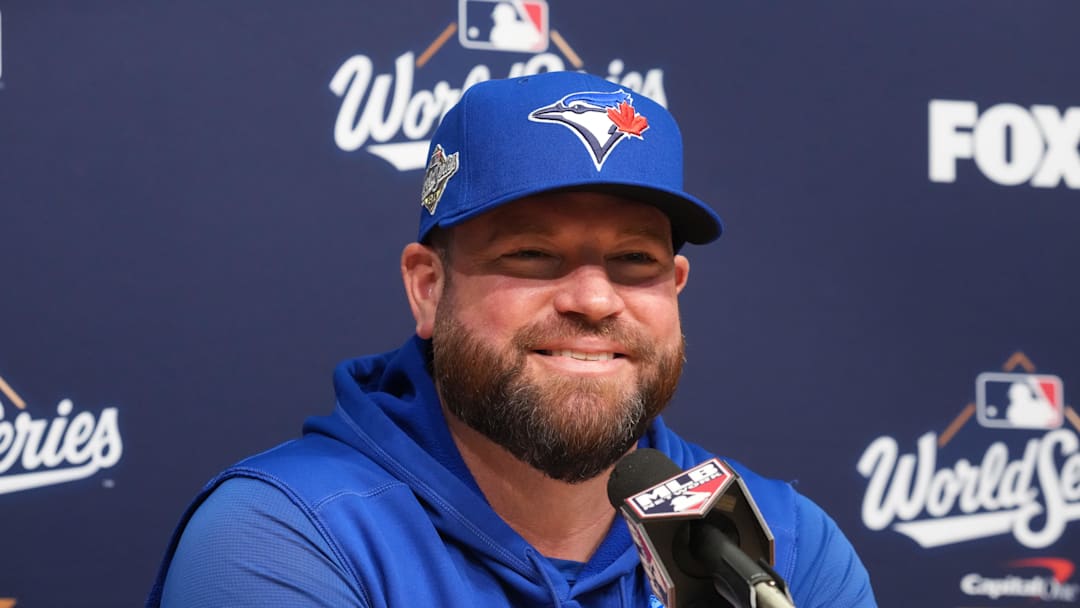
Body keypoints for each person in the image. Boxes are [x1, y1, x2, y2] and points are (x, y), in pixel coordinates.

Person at [146, 71, 877, 607]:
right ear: (428, 286)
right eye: (531, 256)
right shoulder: (285, 537)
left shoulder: (781, 543)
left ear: (675, 288)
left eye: (634, 263)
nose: (594, 299)